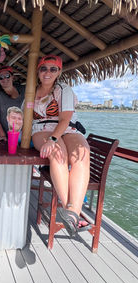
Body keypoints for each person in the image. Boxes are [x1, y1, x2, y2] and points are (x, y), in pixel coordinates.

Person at [32, 54, 90, 236]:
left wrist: (53, 139)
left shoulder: (64, 89)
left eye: (53, 69)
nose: (47, 72)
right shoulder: (31, 92)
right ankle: (69, 210)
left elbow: (65, 119)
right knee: (58, 155)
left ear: (59, 71)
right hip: (42, 128)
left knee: (82, 155)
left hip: (66, 128)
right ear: (38, 71)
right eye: (43, 68)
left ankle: (72, 211)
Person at [0, 66, 25, 142]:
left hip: (28, 134)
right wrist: (2, 136)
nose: (4, 79)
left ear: (13, 77)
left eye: (7, 76)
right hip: (10, 136)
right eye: (1, 78)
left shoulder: (24, 90)